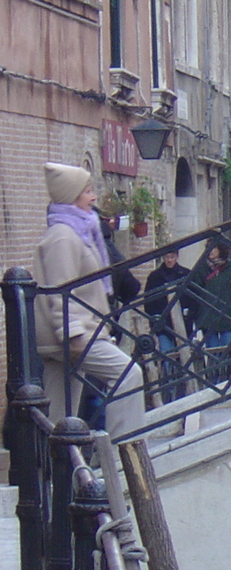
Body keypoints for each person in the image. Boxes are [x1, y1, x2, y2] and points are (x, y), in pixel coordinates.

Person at [33, 163, 146, 439]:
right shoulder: (63, 236)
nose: (93, 197)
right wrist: (72, 333)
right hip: (75, 334)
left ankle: (51, 474)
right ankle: (127, 452)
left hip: (75, 332)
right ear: (71, 195)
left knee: (59, 414)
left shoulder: (76, 231)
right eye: (87, 191)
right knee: (128, 373)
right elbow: (61, 289)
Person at [142, 249, 193, 403]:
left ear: (177, 257)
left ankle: (184, 393)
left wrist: (189, 318)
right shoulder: (154, 277)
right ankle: (170, 394)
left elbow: (193, 299)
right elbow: (148, 301)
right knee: (166, 357)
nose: (169, 260)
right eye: (166, 257)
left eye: (172, 257)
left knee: (183, 359)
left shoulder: (186, 274)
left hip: (183, 325)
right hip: (163, 325)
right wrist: (155, 321)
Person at [188, 239, 231, 354]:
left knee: (228, 350)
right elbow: (194, 294)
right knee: (212, 352)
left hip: (228, 317)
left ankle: (228, 372)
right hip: (208, 318)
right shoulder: (200, 269)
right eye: (208, 248)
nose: (210, 251)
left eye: (213, 248)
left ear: (220, 250)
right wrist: (193, 317)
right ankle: (215, 372)